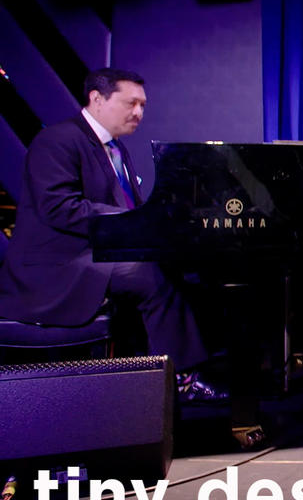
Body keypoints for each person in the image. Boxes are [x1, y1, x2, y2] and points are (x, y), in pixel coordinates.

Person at [0, 67, 224, 402]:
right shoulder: (58, 140)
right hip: (54, 266)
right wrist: (136, 219)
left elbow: (122, 209)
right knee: (147, 272)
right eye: (131, 103)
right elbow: (60, 209)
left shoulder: (116, 149)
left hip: (97, 254)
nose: (139, 113)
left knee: (182, 267)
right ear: (96, 99)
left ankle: (172, 376)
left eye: (143, 105)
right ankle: (181, 381)